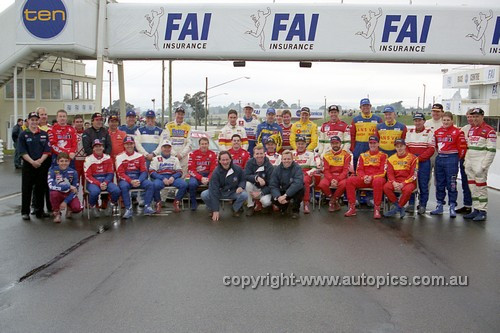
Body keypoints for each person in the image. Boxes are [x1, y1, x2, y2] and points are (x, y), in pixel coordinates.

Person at [431, 112, 467, 218]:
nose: (446, 122)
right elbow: (436, 147)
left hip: (452, 159)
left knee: (451, 183)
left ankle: (452, 206)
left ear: (452, 121)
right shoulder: (437, 132)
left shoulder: (458, 132)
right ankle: (440, 205)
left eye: (448, 120)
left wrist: (456, 158)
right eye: (444, 120)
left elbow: (462, 148)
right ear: (442, 121)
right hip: (440, 158)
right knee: (439, 183)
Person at [463, 108, 497, 221]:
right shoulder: (471, 129)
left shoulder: (489, 130)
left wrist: (483, 166)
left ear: (482, 116)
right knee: (472, 187)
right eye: (473, 116)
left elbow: (491, 151)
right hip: (470, 164)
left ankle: (483, 211)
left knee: (481, 188)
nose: (475, 118)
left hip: (480, 164)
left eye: (477, 116)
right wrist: (466, 162)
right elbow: (468, 148)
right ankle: (476, 209)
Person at [18, 112, 52, 220]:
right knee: (27, 189)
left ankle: (39, 211)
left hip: (41, 165)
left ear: (38, 121)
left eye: (36, 120)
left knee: (40, 188)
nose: (34, 122)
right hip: (28, 165)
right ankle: (25, 212)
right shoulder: (23, 134)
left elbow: (47, 151)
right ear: (28, 121)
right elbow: (22, 151)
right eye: (32, 120)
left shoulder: (43, 134)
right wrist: (32, 162)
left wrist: (40, 161)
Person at [345, 136, 387, 219]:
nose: (372, 145)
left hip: (376, 178)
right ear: (368, 144)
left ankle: (377, 209)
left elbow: (383, 171)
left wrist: (371, 177)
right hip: (364, 178)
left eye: (374, 143)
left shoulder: (383, 155)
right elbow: (359, 170)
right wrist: (364, 177)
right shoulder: (363, 155)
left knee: (378, 181)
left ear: (378, 144)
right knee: (350, 180)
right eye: (371, 143)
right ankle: (352, 207)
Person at [201, 151, 248, 221]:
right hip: (220, 192)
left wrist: (241, 186)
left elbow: (243, 179)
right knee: (204, 194)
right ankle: (212, 209)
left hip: (233, 192)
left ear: (230, 159)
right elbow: (214, 191)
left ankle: (235, 209)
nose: (225, 162)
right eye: (223, 160)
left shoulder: (238, 169)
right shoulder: (216, 173)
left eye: (227, 159)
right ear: (219, 161)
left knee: (244, 195)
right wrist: (215, 210)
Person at [116, 136, 156, 219]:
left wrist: (139, 180)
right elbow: (120, 173)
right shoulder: (119, 157)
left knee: (150, 184)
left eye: (131, 144)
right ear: (124, 145)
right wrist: (131, 181)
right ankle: (128, 209)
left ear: (134, 144)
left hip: (138, 178)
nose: (129, 146)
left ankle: (147, 206)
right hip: (126, 179)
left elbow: (144, 171)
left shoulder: (140, 156)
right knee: (123, 186)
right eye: (127, 144)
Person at [405, 112, 435, 214]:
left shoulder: (429, 132)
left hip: (424, 162)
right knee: (411, 182)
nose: (417, 122)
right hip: (412, 162)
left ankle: (423, 205)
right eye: (416, 120)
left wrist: (420, 158)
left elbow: (431, 149)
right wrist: (412, 158)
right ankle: (411, 203)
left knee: (423, 184)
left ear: (424, 121)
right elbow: (406, 147)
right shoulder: (409, 132)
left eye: (419, 120)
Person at [84, 139, 121, 218]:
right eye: (96, 146)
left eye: (100, 146)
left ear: (103, 147)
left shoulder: (108, 157)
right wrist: (98, 183)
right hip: (93, 181)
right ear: (93, 148)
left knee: (116, 190)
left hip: (105, 180)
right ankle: (93, 207)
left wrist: (105, 182)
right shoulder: (88, 159)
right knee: (94, 192)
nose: (98, 148)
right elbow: (88, 175)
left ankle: (111, 204)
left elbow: (110, 173)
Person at [150, 139, 187, 214]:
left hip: (172, 177)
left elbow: (180, 171)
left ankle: (176, 201)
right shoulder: (156, 158)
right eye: (165, 147)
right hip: (161, 178)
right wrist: (162, 178)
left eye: (168, 147)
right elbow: (152, 172)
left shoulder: (175, 159)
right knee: (155, 185)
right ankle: (158, 202)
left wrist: (173, 177)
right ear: (161, 148)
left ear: (171, 148)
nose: (167, 149)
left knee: (184, 184)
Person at [383, 139, 418, 218]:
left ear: (405, 146)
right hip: (396, 181)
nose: (399, 148)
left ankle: (397, 208)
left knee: (407, 190)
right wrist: (394, 182)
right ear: (395, 148)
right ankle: (399, 206)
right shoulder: (391, 159)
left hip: (408, 181)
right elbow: (389, 173)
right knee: (386, 187)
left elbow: (414, 175)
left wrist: (403, 183)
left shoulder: (413, 158)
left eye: (401, 146)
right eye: (397, 146)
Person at [318, 136, 352, 212]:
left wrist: (337, 179)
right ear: (330, 144)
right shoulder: (326, 155)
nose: (335, 145)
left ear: (340, 143)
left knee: (344, 184)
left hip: (341, 176)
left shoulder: (346, 155)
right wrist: (331, 179)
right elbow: (326, 170)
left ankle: (332, 201)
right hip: (329, 176)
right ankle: (333, 200)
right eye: (333, 143)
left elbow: (346, 170)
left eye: (337, 143)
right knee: (322, 184)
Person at [48, 152, 83, 223]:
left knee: (77, 208)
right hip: (58, 193)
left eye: (66, 161)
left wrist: (65, 201)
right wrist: (68, 186)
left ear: (69, 162)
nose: (64, 163)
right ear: (57, 162)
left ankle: (69, 208)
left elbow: (75, 190)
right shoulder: (52, 170)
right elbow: (51, 186)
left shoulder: (73, 172)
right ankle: (57, 213)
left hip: (69, 194)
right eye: (61, 161)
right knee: (53, 193)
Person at [269, 150, 305, 219]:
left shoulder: (297, 168)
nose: (286, 161)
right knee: (273, 198)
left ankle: (295, 210)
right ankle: (285, 206)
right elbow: (273, 185)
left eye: (289, 159)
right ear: (281, 159)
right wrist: (278, 196)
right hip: (282, 190)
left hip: (292, 191)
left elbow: (298, 183)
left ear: (292, 159)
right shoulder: (276, 169)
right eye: (284, 159)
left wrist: (285, 195)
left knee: (301, 189)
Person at [350, 98, 382, 168]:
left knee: (373, 164)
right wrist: (352, 148)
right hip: (359, 145)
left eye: (367, 105)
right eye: (363, 106)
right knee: (357, 163)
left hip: (373, 145)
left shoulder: (378, 119)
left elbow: (381, 134)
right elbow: (352, 135)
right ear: (360, 107)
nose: (366, 107)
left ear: (370, 106)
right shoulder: (355, 119)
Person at [187, 137, 217, 211]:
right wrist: (201, 178)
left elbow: (214, 170)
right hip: (197, 175)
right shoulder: (193, 154)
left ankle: (211, 204)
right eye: (202, 144)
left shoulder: (213, 154)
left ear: (208, 144)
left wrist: (208, 178)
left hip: (208, 175)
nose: (204, 145)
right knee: (192, 184)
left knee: (214, 183)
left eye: (206, 144)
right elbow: (191, 170)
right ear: (199, 145)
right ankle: (193, 203)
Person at [293, 136, 321, 214]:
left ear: (306, 145)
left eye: (302, 144)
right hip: (294, 174)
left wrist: (307, 173)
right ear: (296, 144)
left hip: (306, 174)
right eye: (299, 144)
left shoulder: (311, 154)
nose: (300, 146)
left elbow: (314, 168)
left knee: (305, 181)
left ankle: (306, 203)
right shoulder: (292, 153)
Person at [244, 145, 274, 216]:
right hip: (255, 187)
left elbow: (272, 185)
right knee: (247, 184)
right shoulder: (249, 163)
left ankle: (265, 206)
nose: (259, 156)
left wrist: (261, 192)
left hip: (265, 190)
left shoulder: (270, 166)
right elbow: (246, 175)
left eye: (261, 153)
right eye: (257, 154)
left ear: (264, 154)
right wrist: (256, 178)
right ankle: (250, 206)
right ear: (254, 155)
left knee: (266, 202)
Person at [164, 107, 191, 176]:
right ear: (175, 114)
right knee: (170, 178)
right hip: (171, 156)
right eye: (178, 114)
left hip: (183, 157)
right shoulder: (168, 126)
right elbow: (166, 141)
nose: (180, 116)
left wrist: (181, 155)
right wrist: (175, 154)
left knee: (183, 180)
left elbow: (189, 143)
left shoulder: (187, 127)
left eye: (182, 114)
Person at [456, 110, 474, 214]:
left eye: (472, 117)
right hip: (464, 159)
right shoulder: (464, 129)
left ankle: (478, 207)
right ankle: (467, 205)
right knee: (465, 183)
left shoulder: (483, 129)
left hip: (476, 160)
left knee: (476, 184)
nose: (470, 119)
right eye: (468, 117)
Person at [73, 115, 86, 187]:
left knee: (86, 183)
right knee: (75, 182)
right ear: (74, 123)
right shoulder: (71, 133)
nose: (79, 123)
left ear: (83, 122)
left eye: (81, 122)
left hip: (85, 161)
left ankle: (86, 198)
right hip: (75, 161)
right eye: (77, 122)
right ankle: (74, 198)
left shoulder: (87, 133)